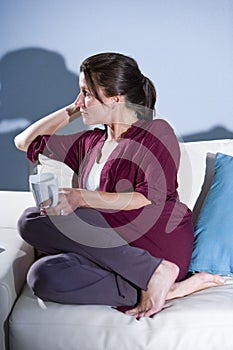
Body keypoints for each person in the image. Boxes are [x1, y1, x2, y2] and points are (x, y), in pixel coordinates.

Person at [15, 52, 224, 319]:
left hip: (155, 241)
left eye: (87, 93)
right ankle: (167, 287)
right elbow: (24, 142)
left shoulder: (156, 131)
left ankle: (158, 271)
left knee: (30, 220)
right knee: (42, 274)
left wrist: (81, 197)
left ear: (115, 98)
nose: (82, 101)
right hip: (110, 247)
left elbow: (146, 198)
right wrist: (72, 109)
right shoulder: (89, 143)